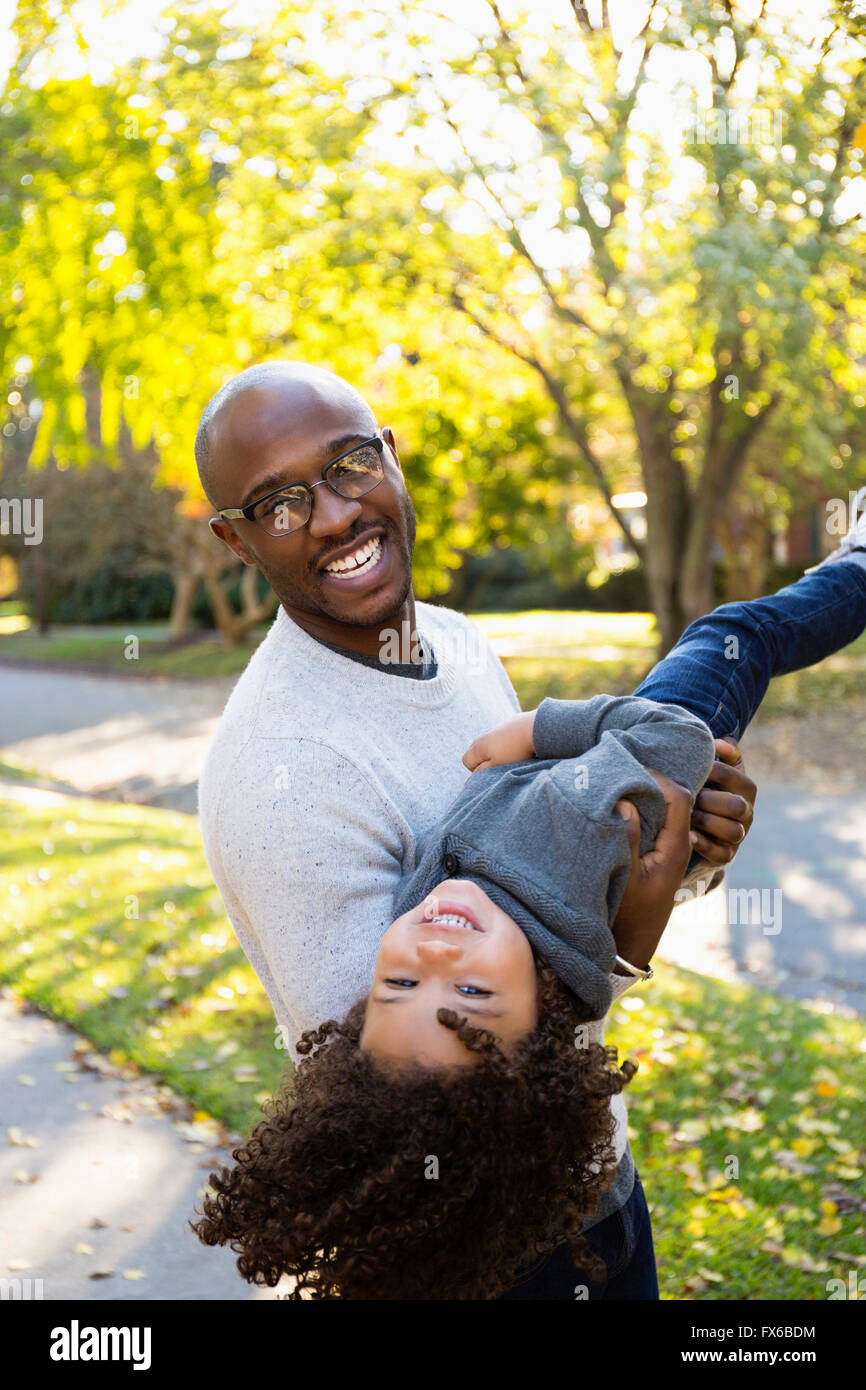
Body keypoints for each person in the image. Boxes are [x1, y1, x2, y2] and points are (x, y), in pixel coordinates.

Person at [194, 359, 757, 1290]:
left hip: (598, 1183)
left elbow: (563, 857)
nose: (333, 516)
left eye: (347, 466)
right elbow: (407, 1103)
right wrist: (619, 954)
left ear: (393, 459)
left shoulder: (456, 641)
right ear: (235, 540)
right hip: (482, 1257)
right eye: (281, 503)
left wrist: (689, 849)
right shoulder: (280, 776)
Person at [191, 530, 866, 1300]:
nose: (434, 956)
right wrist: (539, 731)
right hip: (638, 749)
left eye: (399, 985)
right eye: (471, 998)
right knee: (738, 634)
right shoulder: (553, 871)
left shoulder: (435, 912)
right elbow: (670, 746)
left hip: (586, 1187)